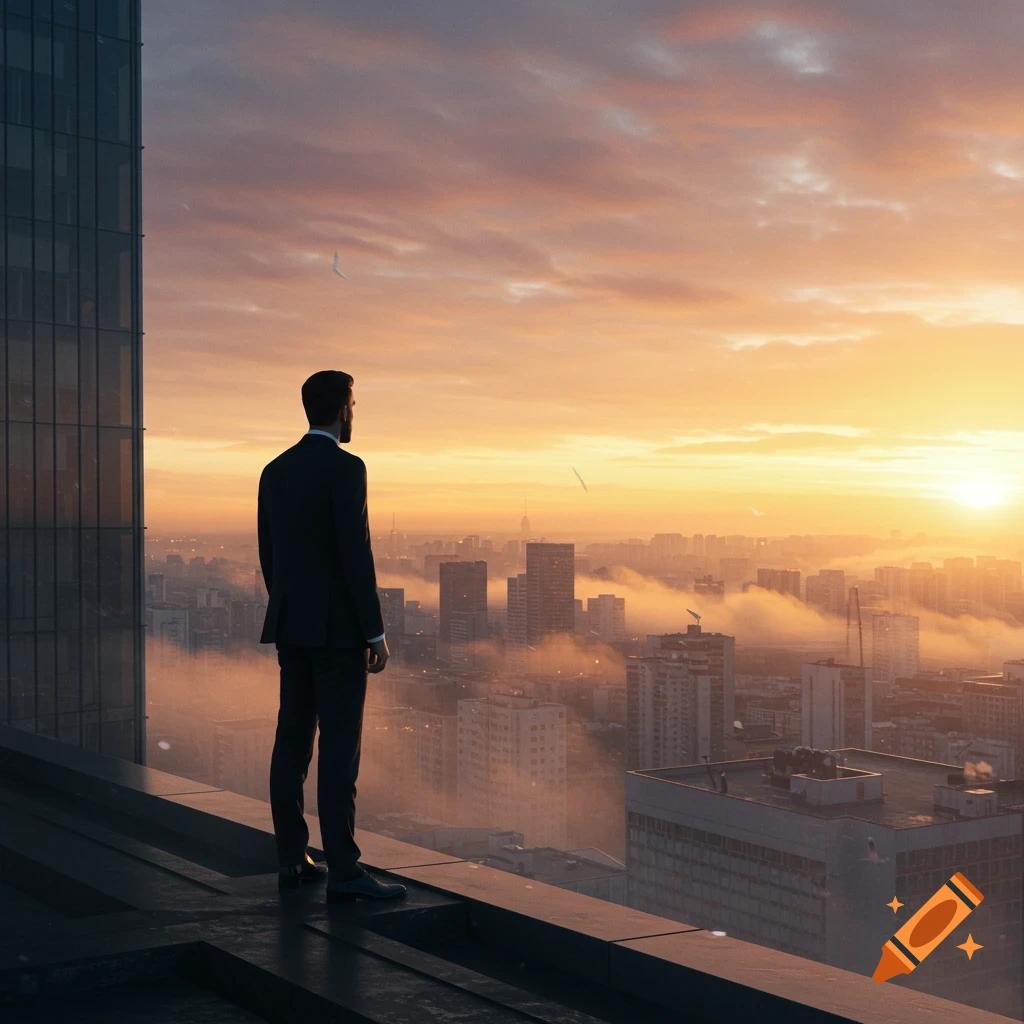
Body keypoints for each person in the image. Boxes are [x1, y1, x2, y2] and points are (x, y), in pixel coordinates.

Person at [258, 369, 406, 904]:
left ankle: (291, 859)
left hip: (292, 627)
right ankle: (345, 871)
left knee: (292, 741)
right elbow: (355, 554)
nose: (354, 415)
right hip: (340, 633)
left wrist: (294, 609)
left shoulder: (274, 471)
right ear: (344, 409)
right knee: (340, 747)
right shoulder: (348, 469)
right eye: (355, 405)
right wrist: (374, 631)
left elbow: (269, 558)